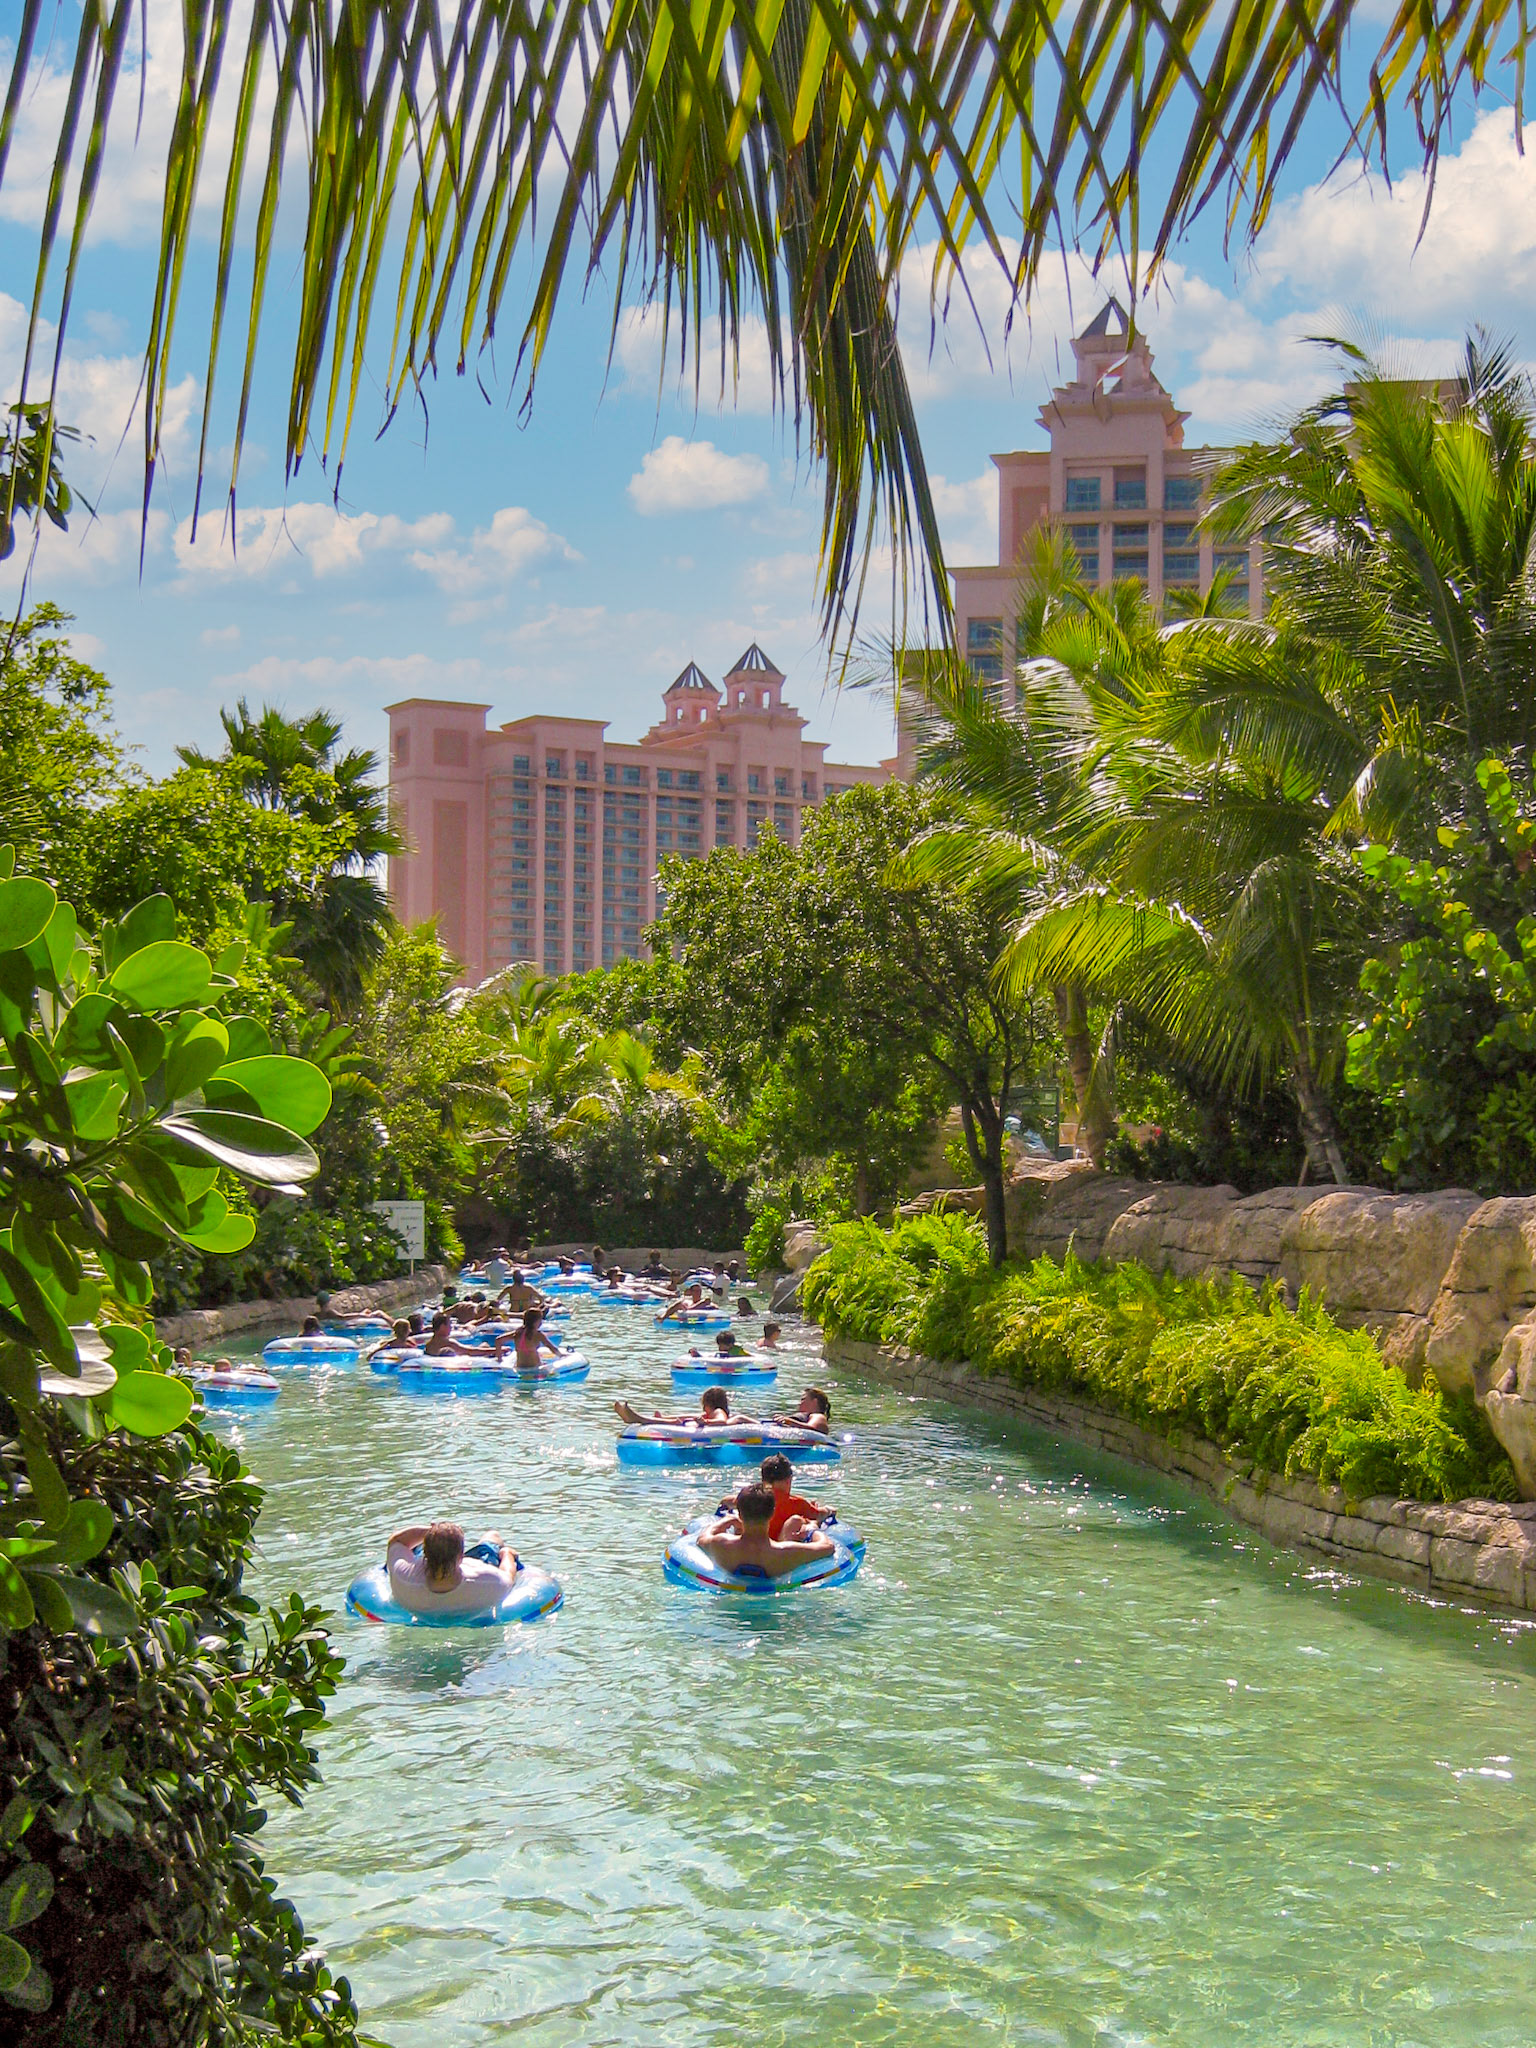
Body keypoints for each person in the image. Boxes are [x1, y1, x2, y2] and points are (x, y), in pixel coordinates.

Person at [694, 1483, 835, 1580]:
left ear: (740, 1515)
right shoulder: (788, 1552)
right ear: (772, 1513)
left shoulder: (721, 1544)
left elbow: (701, 1539)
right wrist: (812, 1530)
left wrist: (725, 1521)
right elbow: (828, 1547)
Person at [385, 1521, 519, 1618]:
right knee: (492, 1536)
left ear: (426, 1555)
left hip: (424, 1586)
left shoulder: (403, 1577)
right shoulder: (487, 1581)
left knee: (415, 1546)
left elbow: (396, 1541)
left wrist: (433, 1532)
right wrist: (507, 1554)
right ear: (461, 1557)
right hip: (471, 1572)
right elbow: (508, 1576)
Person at [615, 1386, 731, 1427]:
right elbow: (689, 1416)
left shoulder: (718, 1411)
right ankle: (658, 1418)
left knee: (679, 1422)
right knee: (688, 1417)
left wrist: (705, 1422)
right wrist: (665, 1417)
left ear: (709, 1403)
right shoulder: (711, 1414)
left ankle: (637, 1418)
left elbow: (722, 1422)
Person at [422, 1311, 505, 1360]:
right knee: (485, 1345)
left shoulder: (428, 1344)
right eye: (449, 1324)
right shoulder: (449, 1343)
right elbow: (471, 1352)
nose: (451, 1327)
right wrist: (498, 1349)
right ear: (442, 1326)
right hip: (462, 1364)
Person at [511, 1308, 565, 1375]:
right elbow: (552, 1347)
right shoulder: (538, 1334)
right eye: (540, 1320)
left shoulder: (517, 1333)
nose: (541, 1322)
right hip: (535, 1368)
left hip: (520, 1367)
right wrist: (562, 1356)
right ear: (536, 1321)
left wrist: (499, 1359)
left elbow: (499, 1340)